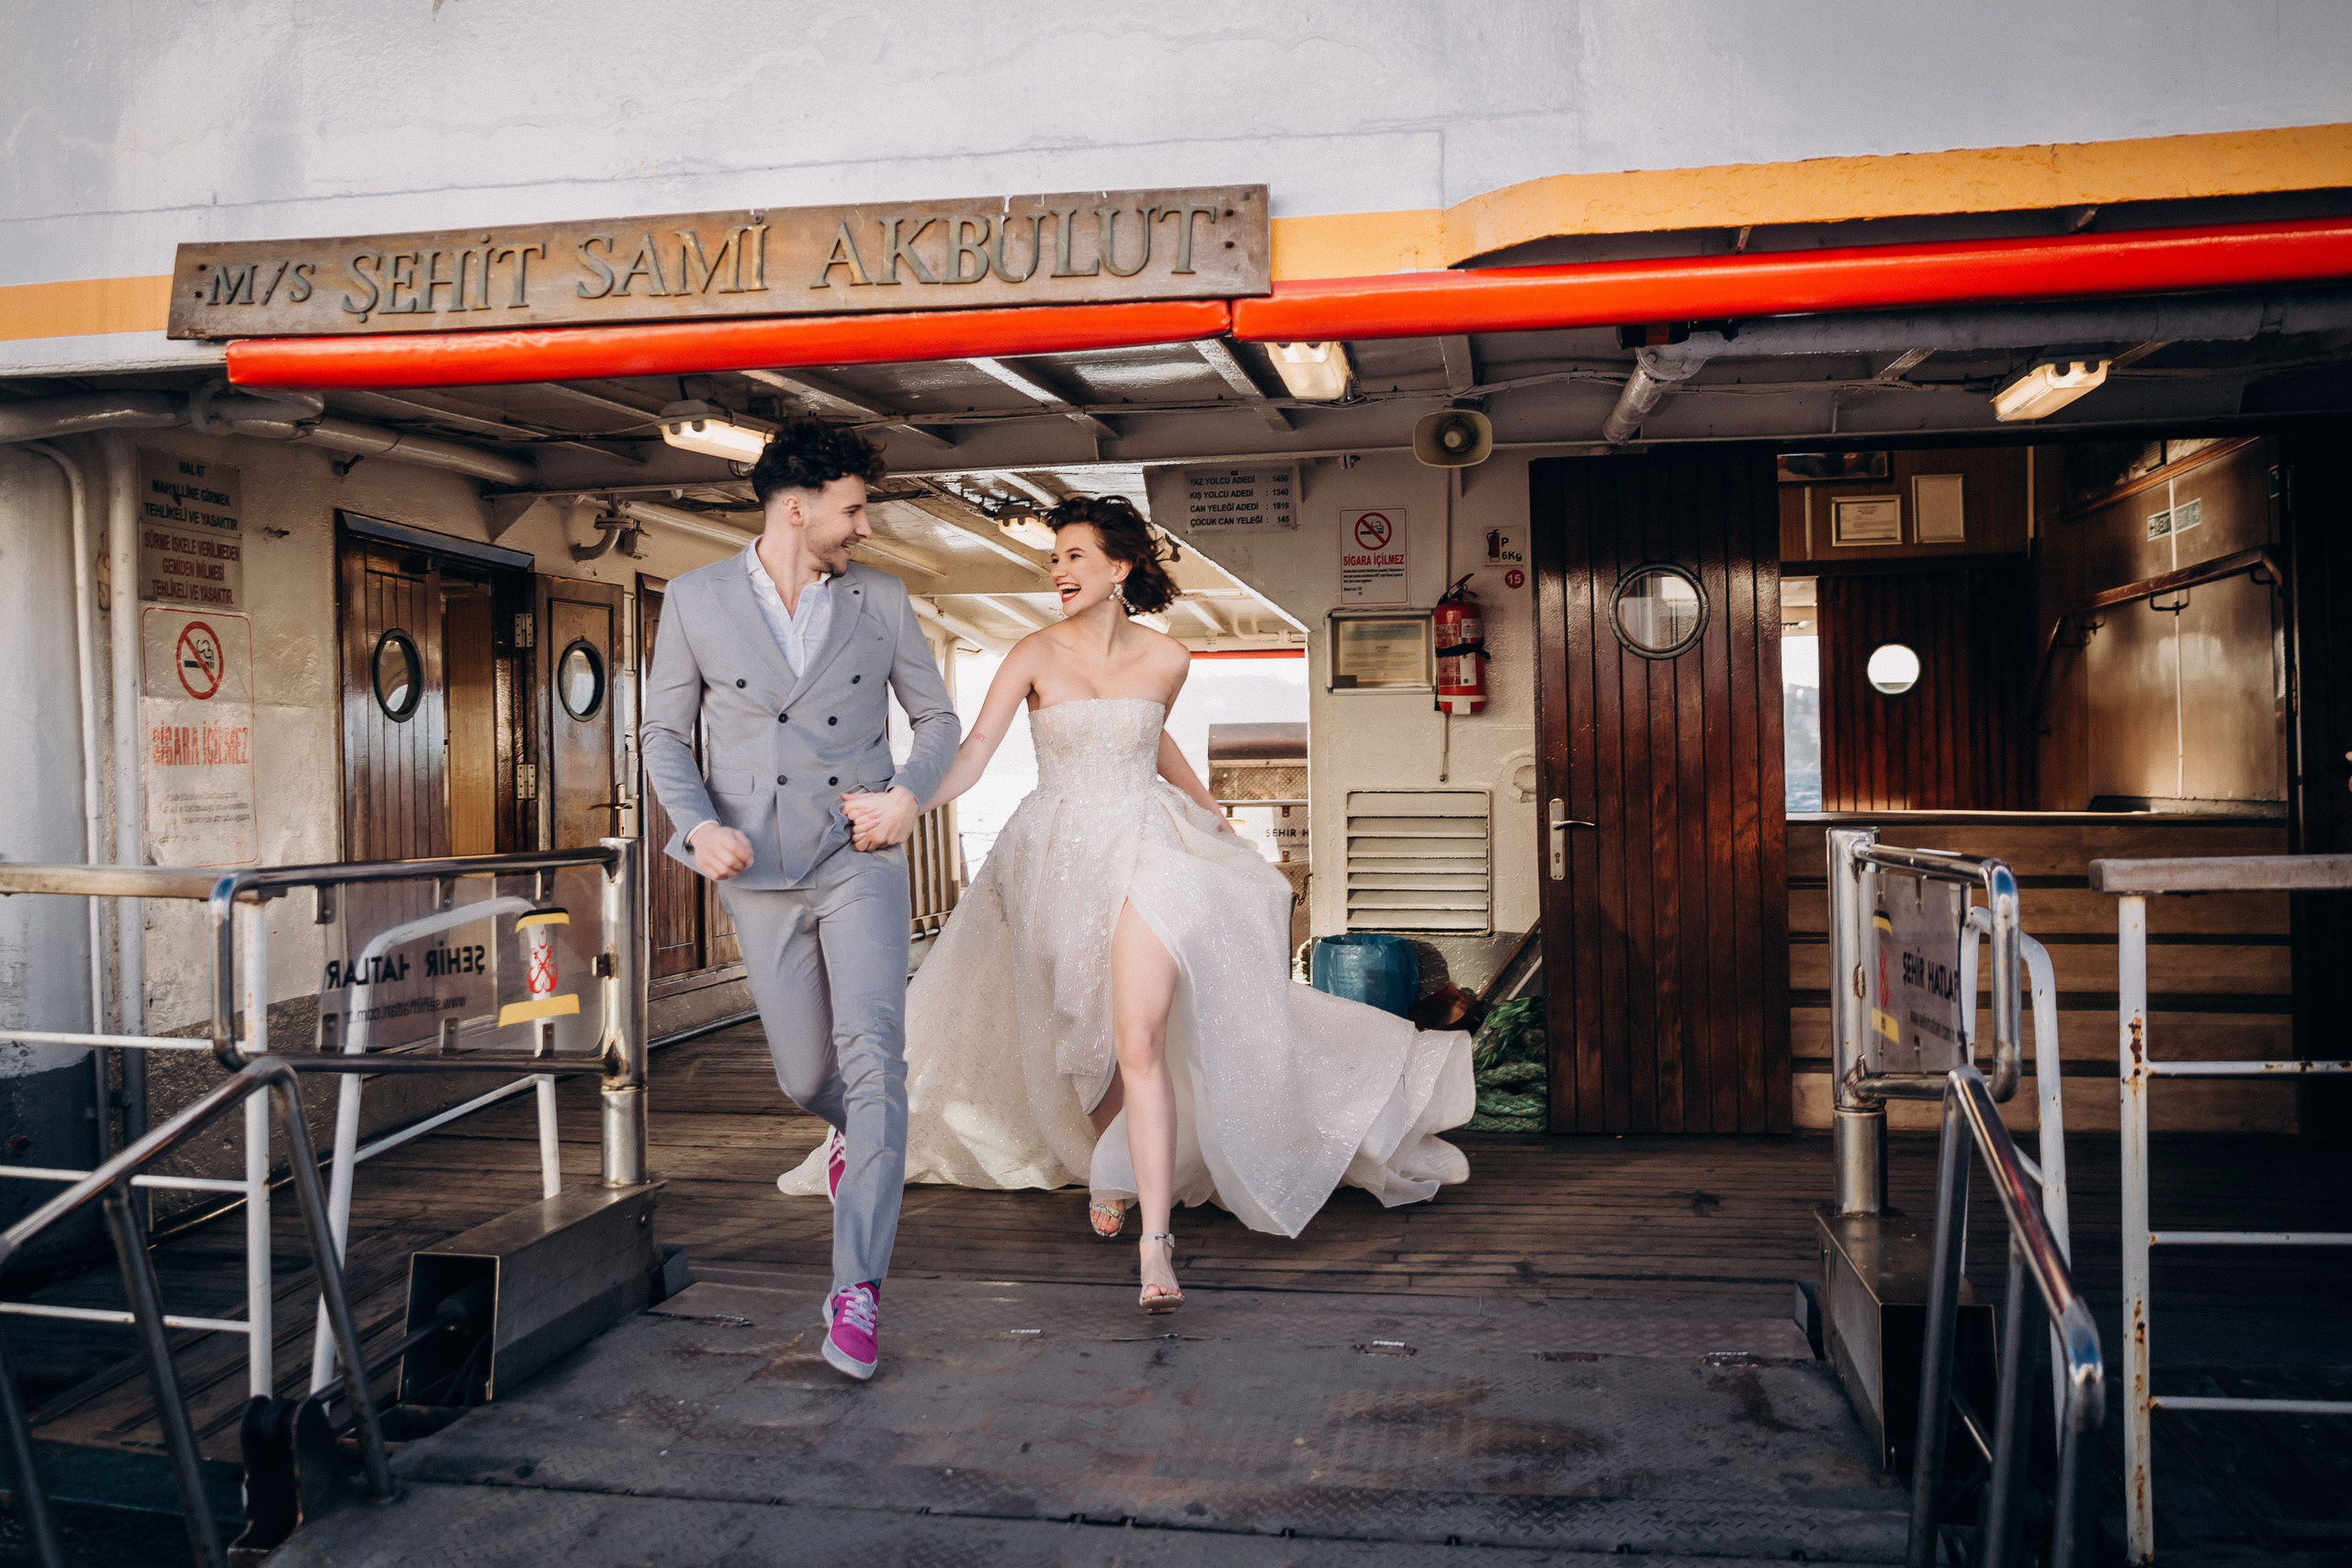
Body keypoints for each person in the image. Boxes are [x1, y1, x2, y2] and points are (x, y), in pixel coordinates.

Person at [803, 495, 1474, 1312]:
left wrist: (1212, 811)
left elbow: (1152, 739)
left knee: (1140, 1035)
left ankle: (1156, 1243)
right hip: (1056, 853)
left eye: (1074, 556)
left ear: (1118, 567)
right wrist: (907, 801)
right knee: (1080, 1029)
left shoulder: (1168, 657)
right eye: (1055, 558)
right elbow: (975, 750)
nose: (1058, 571)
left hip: (1149, 844)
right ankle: (1109, 1159)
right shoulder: (1032, 653)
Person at [640, 419, 959, 1382]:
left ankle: (856, 1289)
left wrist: (907, 797)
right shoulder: (694, 599)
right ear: (796, 506)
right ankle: (849, 1139)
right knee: (807, 1076)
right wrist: (698, 826)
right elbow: (662, 735)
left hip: (857, 854)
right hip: (756, 869)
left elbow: (936, 718)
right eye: (853, 508)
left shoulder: (882, 598)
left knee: (875, 1063)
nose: (865, 526)